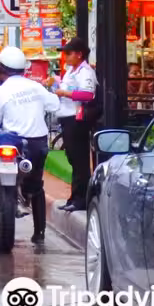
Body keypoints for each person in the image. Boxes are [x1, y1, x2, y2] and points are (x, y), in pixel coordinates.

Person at [0, 46, 59, 247]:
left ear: (1, 69)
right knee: (36, 187)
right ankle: (39, 233)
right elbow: (55, 105)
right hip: (38, 144)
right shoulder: (36, 87)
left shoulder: (2, 90)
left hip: (14, 142)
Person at [52, 38, 96, 213]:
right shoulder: (71, 70)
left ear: (79, 54)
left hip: (76, 120)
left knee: (79, 161)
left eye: (69, 53)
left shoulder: (85, 72)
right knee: (73, 159)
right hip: (66, 118)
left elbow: (87, 95)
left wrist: (65, 93)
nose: (66, 56)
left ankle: (81, 199)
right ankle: (75, 197)